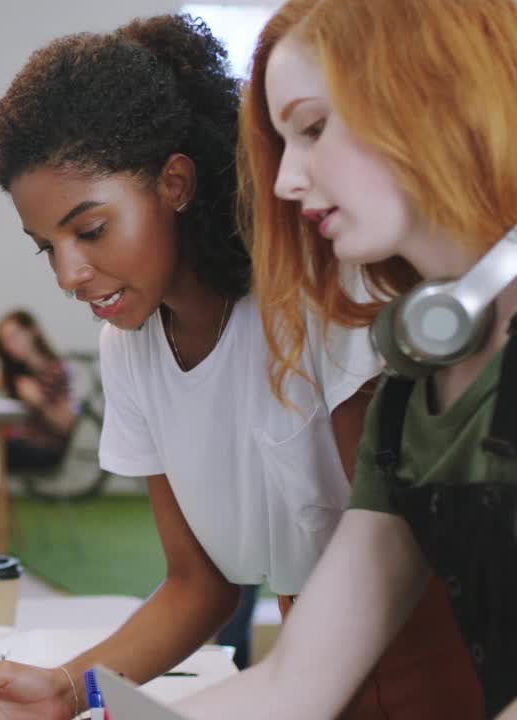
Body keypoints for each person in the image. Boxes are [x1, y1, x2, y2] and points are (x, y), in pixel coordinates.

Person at [0, 14, 479, 719]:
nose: (69, 273)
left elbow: (382, 563)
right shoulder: (129, 346)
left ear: (176, 184)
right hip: (313, 670)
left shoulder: (317, 300)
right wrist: (69, 688)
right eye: (47, 246)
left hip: (430, 662)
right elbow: (199, 585)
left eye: (91, 230)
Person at [178, 0, 517, 717]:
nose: (284, 182)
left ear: (435, 97)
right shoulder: (409, 400)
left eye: (313, 129)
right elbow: (294, 684)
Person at [0, 309, 77, 471]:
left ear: (33, 331)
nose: (10, 345)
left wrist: (39, 402)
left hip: (44, 448)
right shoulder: (16, 372)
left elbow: (65, 424)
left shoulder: (57, 370)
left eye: (14, 336)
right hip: (18, 441)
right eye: (5, 341)